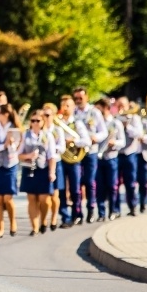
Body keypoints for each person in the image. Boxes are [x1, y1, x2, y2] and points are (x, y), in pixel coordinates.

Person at [18, 109, 56, 236]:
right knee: (32, 198)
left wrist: (52, 172)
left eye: (37, 121)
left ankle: (44, 220)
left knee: (44, 199)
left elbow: (52, 156)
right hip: (29, 168)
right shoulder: (26, 135)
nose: (34, 123)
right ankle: (34, 227)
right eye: (32, 120)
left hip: (43, 168)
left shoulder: (47, 135)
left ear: (42, 122)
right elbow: (19, 154)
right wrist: (28, 155)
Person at [73, 86, 108, 224]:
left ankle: (91, 209)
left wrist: (96, 137)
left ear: (86, 97)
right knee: (76, 184)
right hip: (75, 152)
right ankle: (77, 212)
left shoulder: (94, 112)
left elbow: (103, 132)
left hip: (90, 151)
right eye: (76, 98)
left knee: (89, 181)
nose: (78, 100)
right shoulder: (73, 112)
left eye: (80, 98)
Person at [0, 104, 22, 238]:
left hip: (10, 164)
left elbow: (16, 149)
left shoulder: (14, 129)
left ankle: (13, 222)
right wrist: (3, 145)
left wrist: (11, 143)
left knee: (8, 197)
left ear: (5, 114)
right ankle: (0, 228)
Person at [58, 95, 91, 228]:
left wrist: (73, 141)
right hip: (61, 158)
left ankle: (77, 214)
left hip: (74, 159)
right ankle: (65, 217)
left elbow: (87, 141)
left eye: (68, 105)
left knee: (75, 189)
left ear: (73, 108)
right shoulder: (57, 123)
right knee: (61, 188)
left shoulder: (77, 124)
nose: (65, 108)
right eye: (63, 105)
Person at [94, 99, 125, 222]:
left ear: (106, 108)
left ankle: (114, 210)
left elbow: (122, 141)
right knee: (99, 186)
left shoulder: (115, 123)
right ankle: (101, 213)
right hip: (98, 158)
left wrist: (114, 143)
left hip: (111, 158)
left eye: (98, 109)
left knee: (112, 186)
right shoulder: (96, 124)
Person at [115, 97, 143, 217]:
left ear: (128, 106)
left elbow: (139, 134)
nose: (121, 108)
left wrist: (127, 126)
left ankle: (133, 206)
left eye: (123, 105)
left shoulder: (134, 119)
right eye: (119, 105)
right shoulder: (115, 118)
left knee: (130, 183)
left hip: (129, 154)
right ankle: (115, 210)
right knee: (114, 184)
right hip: (116, 154)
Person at [41, 102, 66, 231]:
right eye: (43, 114)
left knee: (55, 194)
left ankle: (54, 218)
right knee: (44, 195)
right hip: (42, 164)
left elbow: (62, 147)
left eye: (48, 115)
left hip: (56, 162)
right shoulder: (40, 129)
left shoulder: (57, 130)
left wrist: (51, 147)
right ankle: (43, 219)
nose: (45, 117)